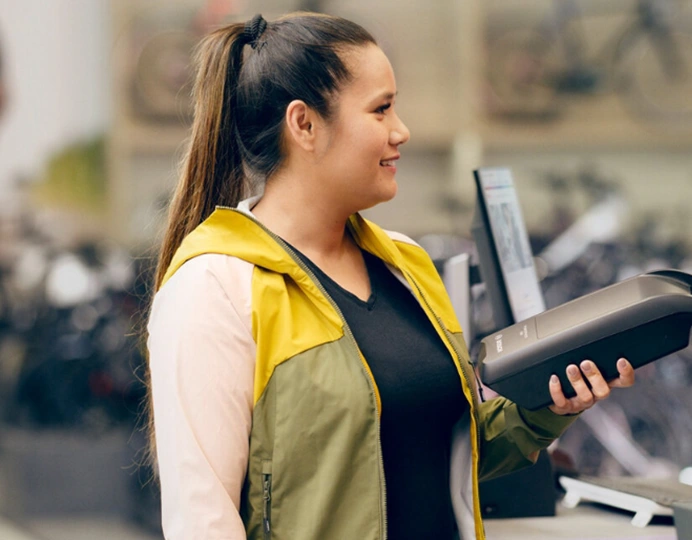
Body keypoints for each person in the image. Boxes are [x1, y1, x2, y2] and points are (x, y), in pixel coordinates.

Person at [145, 12, 635, 540]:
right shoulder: (215, 288)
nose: (401, 131)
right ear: (304, 124)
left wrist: (548, 407)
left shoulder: (407, 265)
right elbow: (203, 522)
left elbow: (449, 454)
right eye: (381, 110)